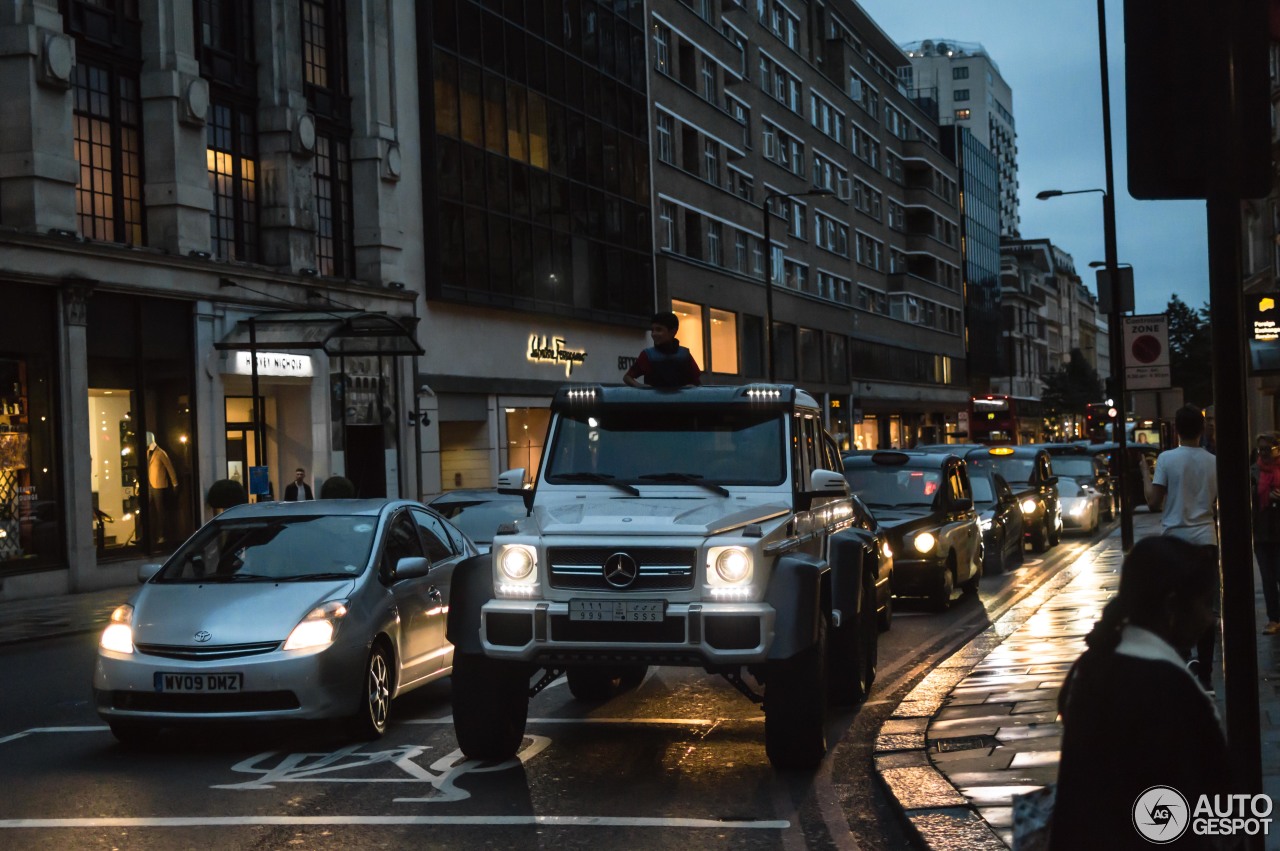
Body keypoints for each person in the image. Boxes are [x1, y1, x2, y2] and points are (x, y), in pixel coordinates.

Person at [1050, 536, 1233, 850]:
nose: (1209, 618)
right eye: (1205, 604)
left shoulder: (1096, 661)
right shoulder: (1171, 690)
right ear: (1172, 606)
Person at [1148, 405, 1219, 692]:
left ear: (1176, 429)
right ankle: (1207, 676)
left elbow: (1153, 502)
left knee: (1176, 606)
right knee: (1206, 608)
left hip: (1175, 543)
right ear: (1202, 430)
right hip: (1205, 541)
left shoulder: (1166, 459)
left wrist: (1144, 473)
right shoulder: (1214, 462)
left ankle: (1185, 660)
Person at [623, 310, 701, 388]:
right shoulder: (647, 355)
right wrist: (640, 386)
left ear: (673, 331)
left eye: (659, 330)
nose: (654, 334)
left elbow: (696, 381)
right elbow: (627, 377)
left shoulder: (685, 354)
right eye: (652, 330)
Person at [1253, 433, 1280, 635]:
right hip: (1262, 531)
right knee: (1268, 577)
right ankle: (1274, 618)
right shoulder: (1254, 471)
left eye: (1267, 449)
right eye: (1260, 449)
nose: (1263, 453)